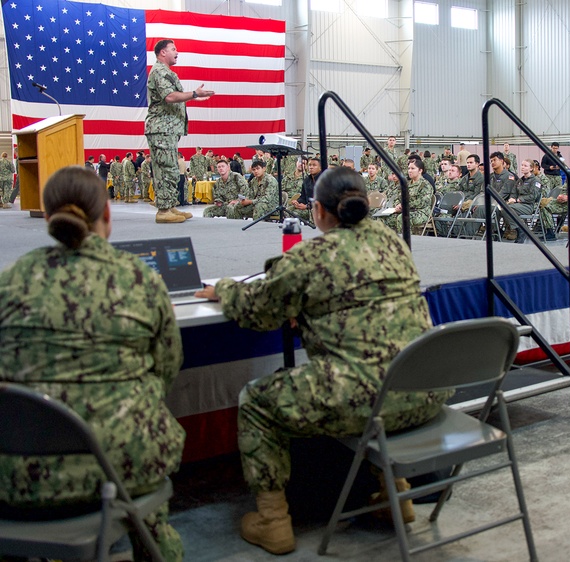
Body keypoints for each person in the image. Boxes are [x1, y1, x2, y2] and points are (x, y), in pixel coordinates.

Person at [194, 169, 448, 554]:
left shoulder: (311, 256)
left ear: (318, 211)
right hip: (425, 391)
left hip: (366, 401)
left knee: (258, 402)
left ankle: (273, 521)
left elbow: (259, 311)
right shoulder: (393, 242)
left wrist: (224, 289)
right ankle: (397, 497)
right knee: (380, 367)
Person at [0, 166, 185, 561]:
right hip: (126, 467)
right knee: (154, 525)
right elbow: (167, 367)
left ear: (48, 219)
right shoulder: (140, 280)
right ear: (108, 215)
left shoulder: (11, 281)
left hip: (18, 478)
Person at [145, 39, 214, 224]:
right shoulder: (160, 71)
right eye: (173, 49)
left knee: (169, 168)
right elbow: (169, 96)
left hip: (167, 130)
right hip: (161, 129)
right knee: (166, 168)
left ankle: (169, 205)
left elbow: (174, 98)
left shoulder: (166, 72)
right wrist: (193, 94)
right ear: (162, 53)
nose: (177, 52)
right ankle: (164, 210)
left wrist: (191, 98)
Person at [381, 158, 433, 234]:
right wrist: (398, 205)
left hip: (421, 212)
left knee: (402, 218)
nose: (409, 171)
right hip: (405, 210)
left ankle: (406, 242)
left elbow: (422, 202)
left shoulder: (425, 185)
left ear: (420, 171)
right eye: (409, 168)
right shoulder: (406, 184)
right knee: (384, 218)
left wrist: (404, 206)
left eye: (413, 168)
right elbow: (398, 197)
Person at [503, 159, 544, 243]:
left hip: (528, 205)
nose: (522, 167)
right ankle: (518, 229)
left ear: (531, 168)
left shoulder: (535, 181)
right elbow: (513, 192)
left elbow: (533, 196)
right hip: (517, 205)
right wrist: (512, 199)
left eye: (525, 166)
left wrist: (518, 200)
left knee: (506, 209)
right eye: (522, 165)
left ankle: (520, 230)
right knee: (502, 208)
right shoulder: (519, 181)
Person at [285, 156, 322, 222]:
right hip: (305, 206)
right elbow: (303, 196)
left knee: (295, 214)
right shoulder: (307, 180)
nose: (311, 167)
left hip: (316, 208)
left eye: (314, 165)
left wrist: (307, 206)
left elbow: (322, 200)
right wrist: (297, 202)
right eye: (310, 165)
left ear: (320, 168)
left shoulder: (323, 180)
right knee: (286, 211)